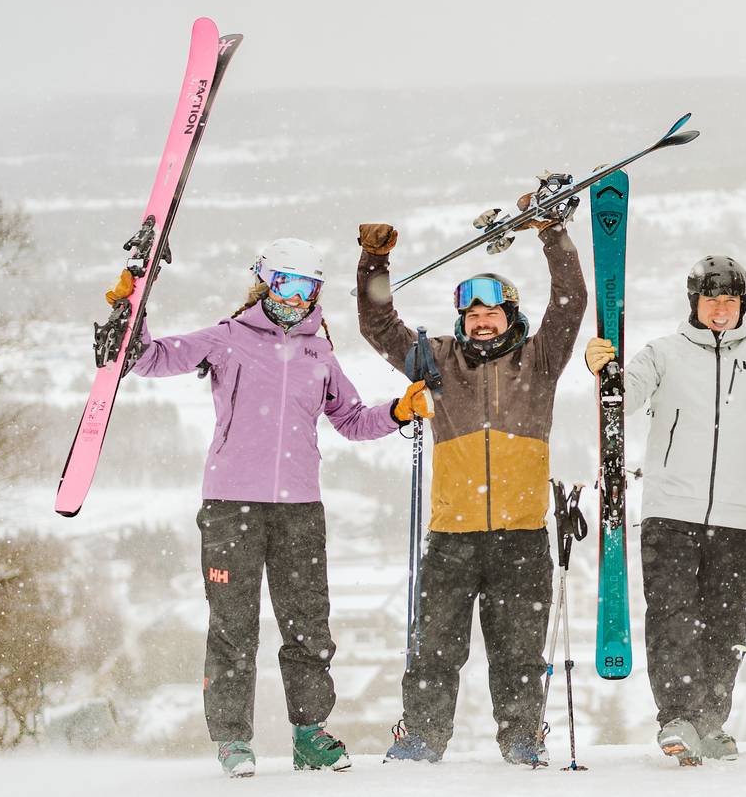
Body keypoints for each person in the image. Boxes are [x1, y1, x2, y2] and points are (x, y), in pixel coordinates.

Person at [109, 237, 426, 778]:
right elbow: (148, 358)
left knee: (308, 625)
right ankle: (234, 740)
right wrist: (128, 310)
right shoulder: (227, 338)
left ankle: (310, 735)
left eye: (308, 288)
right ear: (265, 282)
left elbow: (350, 421)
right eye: (286, 283)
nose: (297, 297)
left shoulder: (319, 353)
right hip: (232, 505)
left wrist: (398, 410)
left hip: (300, 509)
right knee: (233, 626)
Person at [355, 193, 586, 768]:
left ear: (511, 317)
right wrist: (373, 263)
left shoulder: (540, 360)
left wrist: (551, 235)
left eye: (493, 313)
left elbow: (571, 300)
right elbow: (377, 324)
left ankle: (521, 738)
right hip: (451, 536)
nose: (482, 322)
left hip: (523, 534)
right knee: (434, 648)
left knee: (519, 653)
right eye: (473, 315)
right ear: (462, 321)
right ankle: (422, 739)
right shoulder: (435, 362)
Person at [582, 255, 746, 765]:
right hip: (671, 512)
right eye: (711, 299)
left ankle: (710, 721)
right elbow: (622, 398)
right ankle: (677, 717)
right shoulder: (663, 352)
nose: (721, 310)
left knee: (725, 625)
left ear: (743, 304)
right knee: (674, 616)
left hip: (740, 517)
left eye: (731, 300)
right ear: (694, 303)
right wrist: (601, 366)